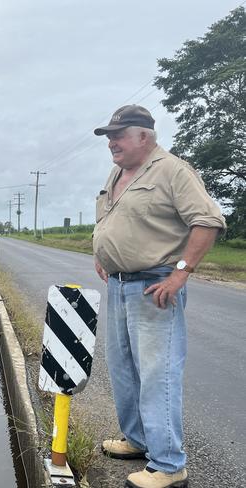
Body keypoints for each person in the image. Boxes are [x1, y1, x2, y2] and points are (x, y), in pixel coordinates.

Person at [92, 105, 226, 488]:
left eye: (118, 136)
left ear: (144, 138)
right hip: (118, 285)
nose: (112, 143)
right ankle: (137, 441)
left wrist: (181, 273)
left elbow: (208, 221)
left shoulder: (173, 171)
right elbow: (109, 219)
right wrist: (101, 254)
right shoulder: (118, 172)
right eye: (109, 137)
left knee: (157, 375)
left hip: (153, 287)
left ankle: (169, 465)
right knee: (122, 370)